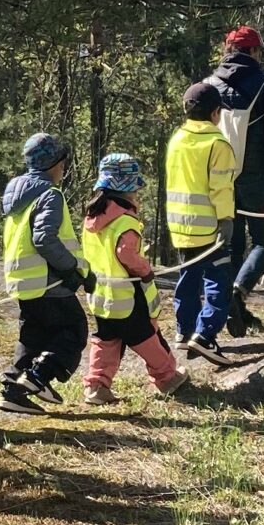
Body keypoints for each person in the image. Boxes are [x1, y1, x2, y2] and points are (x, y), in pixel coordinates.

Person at [80, 154, 188, 403]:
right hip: (126, 296)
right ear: (128, 189)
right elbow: (125, 253)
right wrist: (144, 269)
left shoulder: (92, 219)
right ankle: (167, 377)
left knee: (106, 339)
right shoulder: (125, 221)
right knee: (146, 338)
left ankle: (96, 386)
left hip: (99, 295)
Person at [0, 131, 87, 414]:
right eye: (62, 162)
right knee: (74, 329)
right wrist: (71, 268)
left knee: (32, 337)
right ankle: (38, 377)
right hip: (49, 282)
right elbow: (44, 238)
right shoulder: (50, 194)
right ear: (54, 164)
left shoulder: (17, 195)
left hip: (23, 280)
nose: (64, 168)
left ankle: (13, 391)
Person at [209, 28, 264, 335]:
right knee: (263, 242)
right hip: (254, 178)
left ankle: (234, 309)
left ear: (227, 50)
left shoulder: (208, 86)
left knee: (231, 243)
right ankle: (238, 293)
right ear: (255, 52)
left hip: (218, 180)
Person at [164, 79, 239, 365]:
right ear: (215, 113)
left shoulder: (177, 139)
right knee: (218, 281)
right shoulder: (217, 143)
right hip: (209, 227)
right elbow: (221, 187)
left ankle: (184, 332)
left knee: (188, 279)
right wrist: (226, 219)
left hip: (181, 226)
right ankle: (205, 335)